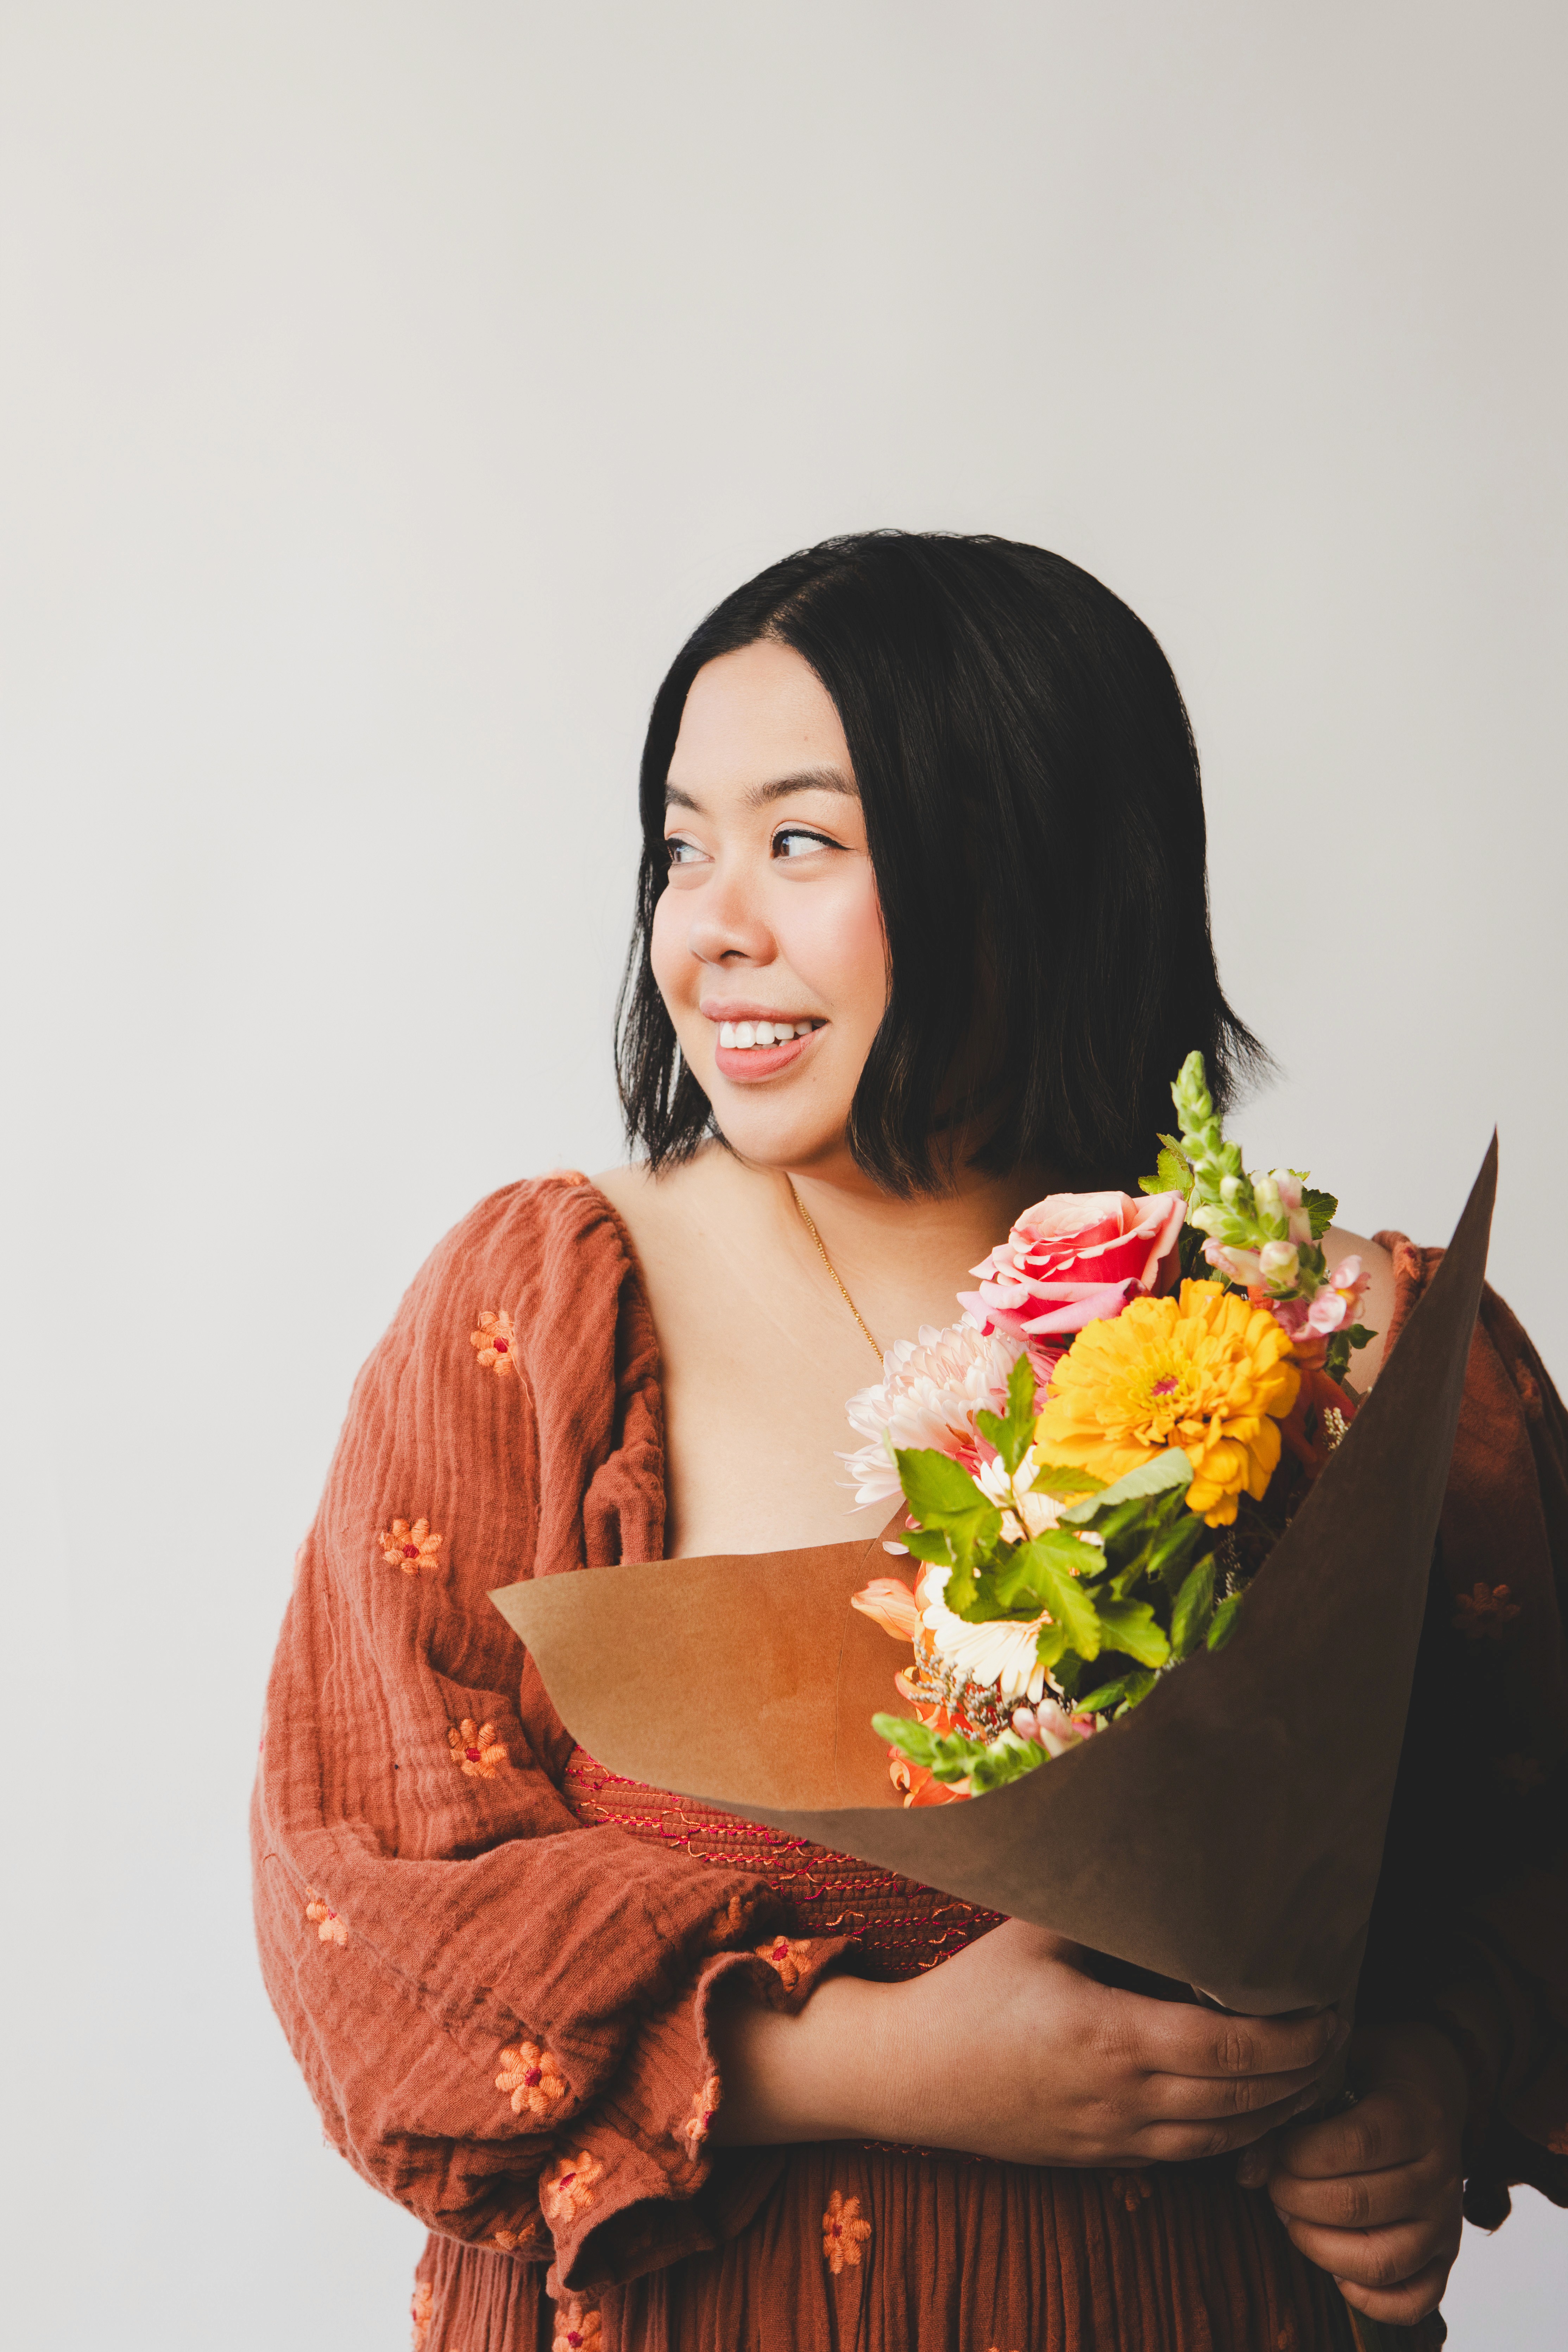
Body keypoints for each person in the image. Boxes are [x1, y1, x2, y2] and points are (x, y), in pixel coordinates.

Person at [253, 534, 1567, 2352]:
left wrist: (1423, 2088)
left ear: (1035, 862)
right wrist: (881, 2063)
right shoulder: (551, 1313)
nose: (711, 926)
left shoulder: (1352, 1339)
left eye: (800, 842)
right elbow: (367, 1914)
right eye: (681, 848)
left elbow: (1530, 1858)